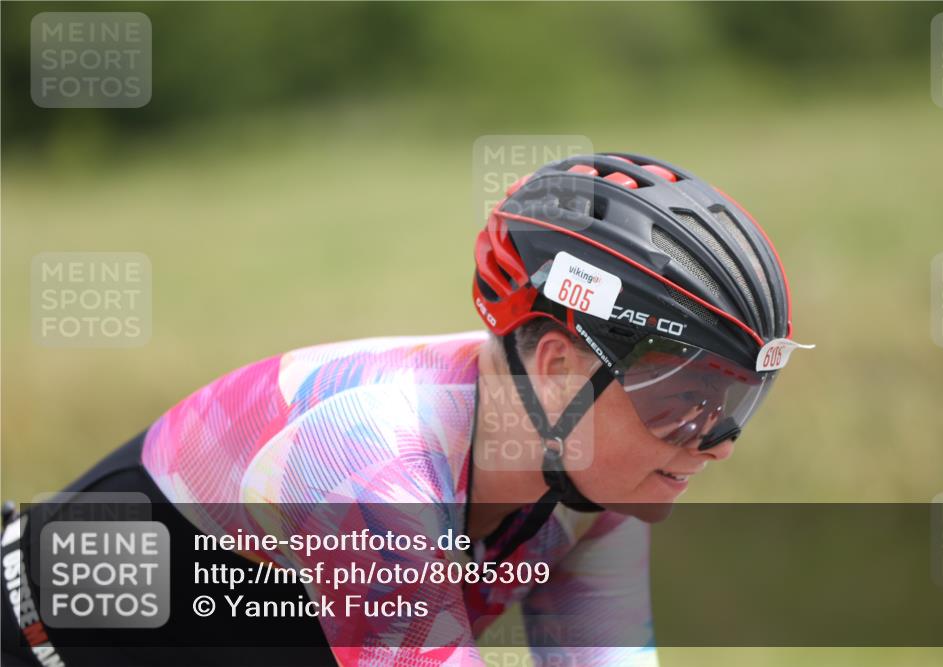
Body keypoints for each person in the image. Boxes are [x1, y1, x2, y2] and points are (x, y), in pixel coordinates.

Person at [2, 152, 808, 667]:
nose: (718, 441)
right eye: (680, 400)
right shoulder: (370, 450)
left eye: (736, 399)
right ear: (558, 365)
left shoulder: (603, 478)